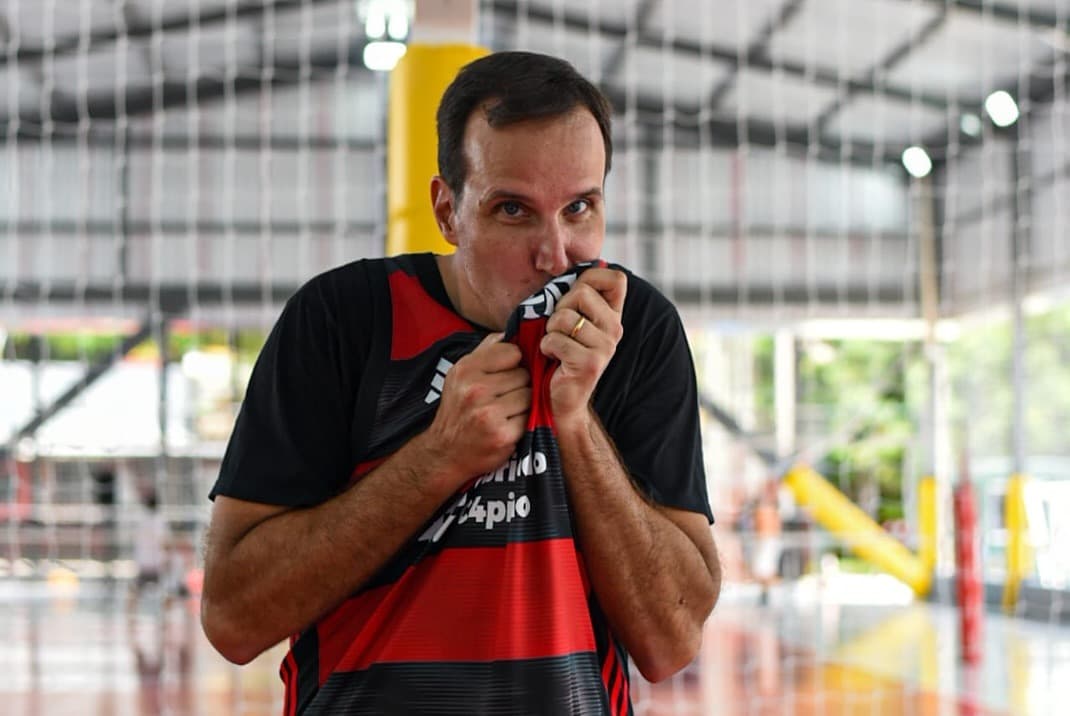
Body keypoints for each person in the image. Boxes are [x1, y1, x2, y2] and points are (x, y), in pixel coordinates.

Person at [200, 50, 721, 714]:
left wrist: (574, 426)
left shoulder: (637, 328)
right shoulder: (343, 318)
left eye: (580, 208)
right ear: (448, 211)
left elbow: (670, 642)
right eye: (513, 210)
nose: (555, 254)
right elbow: (233, 619)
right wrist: (438, 458)